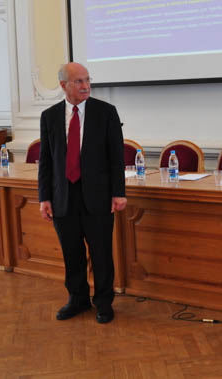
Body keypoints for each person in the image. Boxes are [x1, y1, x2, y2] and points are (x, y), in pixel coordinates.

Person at [38, 62, 127, 324]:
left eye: (88, 80)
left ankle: (104, 303)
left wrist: (118, 193)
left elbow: (116, 157)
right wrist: (44, 197)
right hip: (63, 197)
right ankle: (77, 299)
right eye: (79, 81)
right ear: (63, 85)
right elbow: (46, 161)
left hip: (98, 197)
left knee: (101, 254)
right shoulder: (49, 116)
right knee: (71, 253)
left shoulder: (106, 112)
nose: (86, 86)